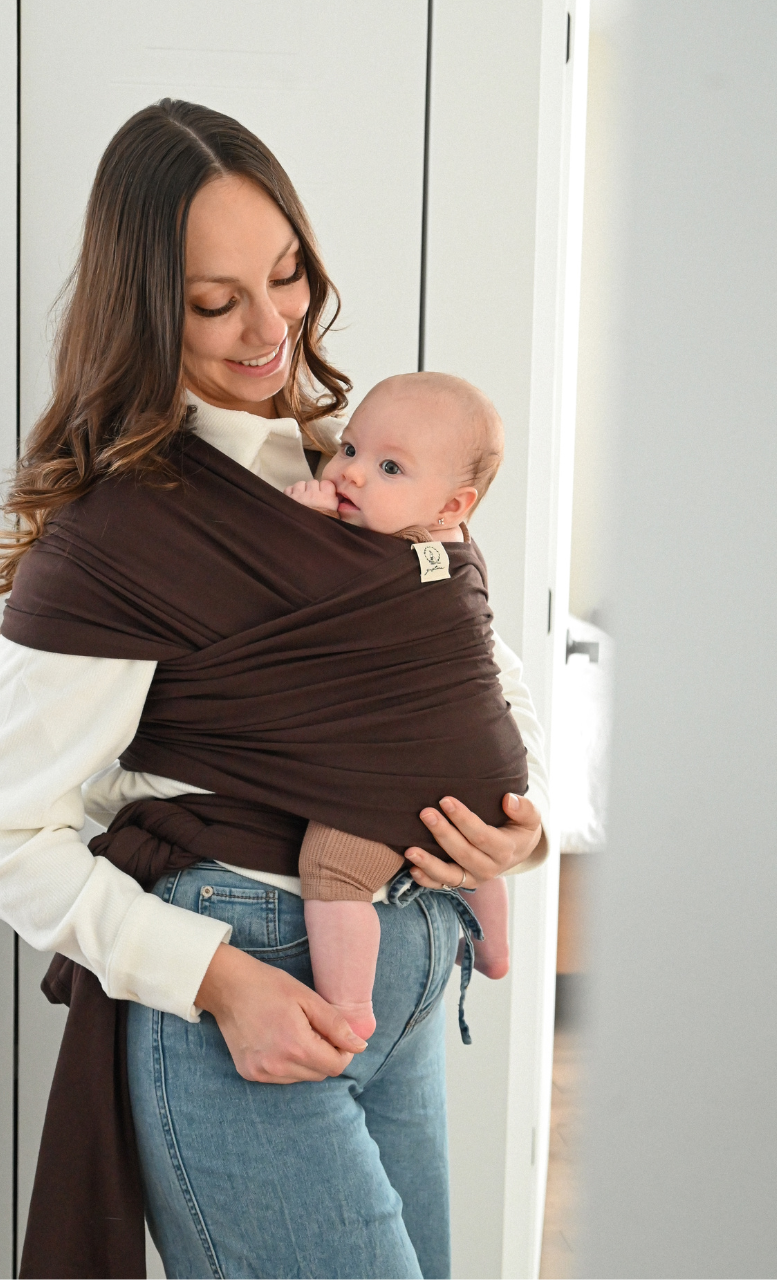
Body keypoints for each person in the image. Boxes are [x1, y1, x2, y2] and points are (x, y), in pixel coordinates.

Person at [0, 99, 548, 1280]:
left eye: (286, 275)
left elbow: (475, 664)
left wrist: (519, 826)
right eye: (218, 302)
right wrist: (218, 981)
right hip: (253, 989)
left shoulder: (351, 460)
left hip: (412, 974)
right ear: (148, 309)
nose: (271, 327)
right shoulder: (121, 537)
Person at [284, 371, 515, 1040]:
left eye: (390, 468)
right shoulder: (461, 552)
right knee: (471, 848)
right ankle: (495, 949)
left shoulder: (378, 560)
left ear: (451, 504)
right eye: (350, 449)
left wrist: (302, 530)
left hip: (407, 762)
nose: (351, 473)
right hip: (493, 761)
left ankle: (350, 1008)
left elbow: (306, 603)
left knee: (332, 869)